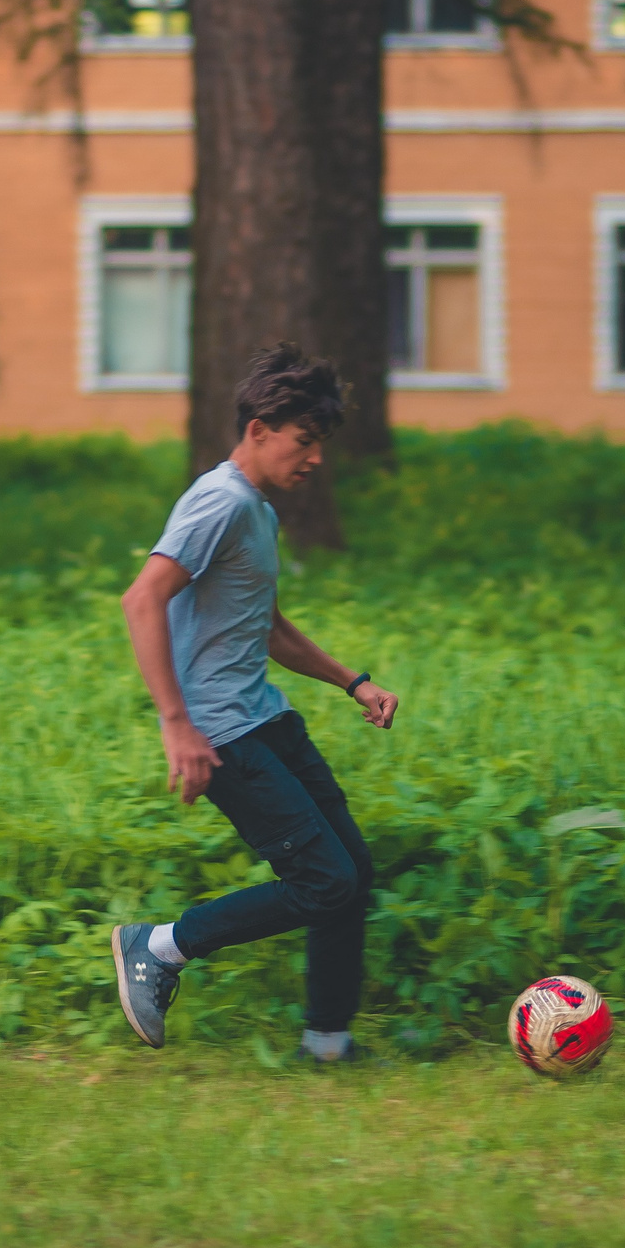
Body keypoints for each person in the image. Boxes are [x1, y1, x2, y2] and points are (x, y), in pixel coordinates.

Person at [111, 343, 400, 1061]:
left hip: (264, 716)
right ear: (260, 428)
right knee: (322, 878)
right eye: (305, 441)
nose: (315, 459)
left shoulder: (257, 512)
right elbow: (142, 599)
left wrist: (352, 681)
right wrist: (177, 724)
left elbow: (266, 627)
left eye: (320, 445)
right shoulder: (219, 501)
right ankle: (160, 946)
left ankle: (327, 1042)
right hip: (221, 731)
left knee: (351, 871)